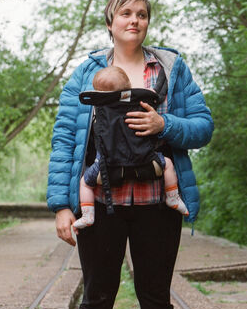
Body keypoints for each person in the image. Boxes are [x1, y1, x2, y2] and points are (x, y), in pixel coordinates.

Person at [47, 0, 214, 309]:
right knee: (97, 293)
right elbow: (65, 139)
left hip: (157, 201)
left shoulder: (171, 70)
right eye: (126, 13)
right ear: (110, 21)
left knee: (155, 293)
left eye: (141, 14)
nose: (134, 20)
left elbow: (202, 127)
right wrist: (62, 206)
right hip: (102, 202)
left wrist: (165, 123)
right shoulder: (85, 73)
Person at [72, 64, 189, 231]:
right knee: (168, 164)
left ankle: (88, 214)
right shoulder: (142, 99)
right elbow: (158, 93)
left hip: (105, 168)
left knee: (85, 183)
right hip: (147, 161)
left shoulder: (100, 106)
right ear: (128, 86)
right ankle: (173, 197)